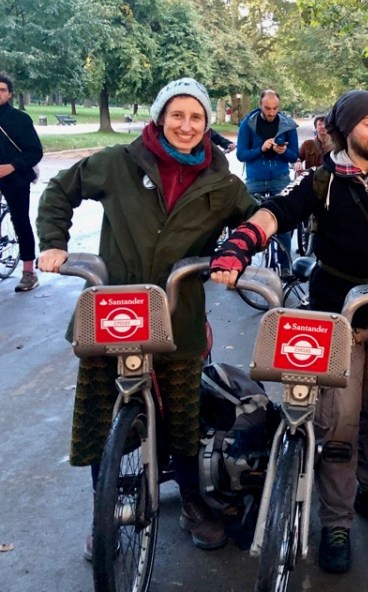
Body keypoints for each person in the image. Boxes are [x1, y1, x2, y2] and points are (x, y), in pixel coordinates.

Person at [210, 90, 368, 574]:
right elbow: (274, 212)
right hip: (339, 324)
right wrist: (237, 249)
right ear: (346, 129)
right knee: (339, 424)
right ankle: (336, 519)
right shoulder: (322, 181)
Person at [36, 77, 257, 559]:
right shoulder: (117, 163)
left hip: (179, 315)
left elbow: (254, 220)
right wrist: (53, 242)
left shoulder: (222, 184)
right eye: (177, 115)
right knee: (103, 418)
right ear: (160, 117)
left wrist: (235, 253)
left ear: (207, 123)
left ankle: (195, 501)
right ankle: (105, 510)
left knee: (183, 419)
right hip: (115, 312)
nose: (186, 125)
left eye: (196, 117)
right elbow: (58, 190)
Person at [236, 89, 298, 271]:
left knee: (284, 222)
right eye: (267, 108)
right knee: (248, 222)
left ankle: (285, 265)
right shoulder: (247, 124)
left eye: (275, 108)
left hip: (280, 178)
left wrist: (284, 152)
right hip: (255, 179)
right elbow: (241, 154)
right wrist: (260, 149)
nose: (271, 113)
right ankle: (241, 265)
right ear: (260, 105)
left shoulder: (288, 125)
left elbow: (294, 156)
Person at [0, 72, 43, 291]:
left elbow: (35, 152)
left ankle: (28, 272)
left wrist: (11, 166)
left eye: (2, 90)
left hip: (15, 178)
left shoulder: (19, 119)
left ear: (9, 94)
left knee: (20, 221)